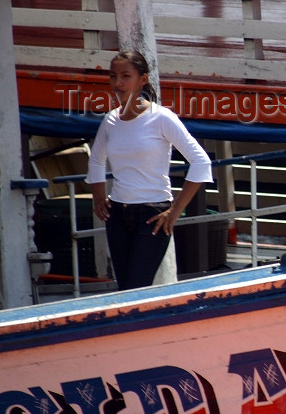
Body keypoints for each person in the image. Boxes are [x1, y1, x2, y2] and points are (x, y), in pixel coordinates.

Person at [86, 50, 213, 290]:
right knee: (124, 288)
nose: (118, 83)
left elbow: (201, 161)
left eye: (126, 76)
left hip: (153, 215)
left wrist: (174, 212)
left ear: (142, 79)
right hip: (117, 215)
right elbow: (96, 161)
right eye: (113, 76)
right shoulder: (110, 120)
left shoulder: (161, 117)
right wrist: (99, 197)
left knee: (136, 286)